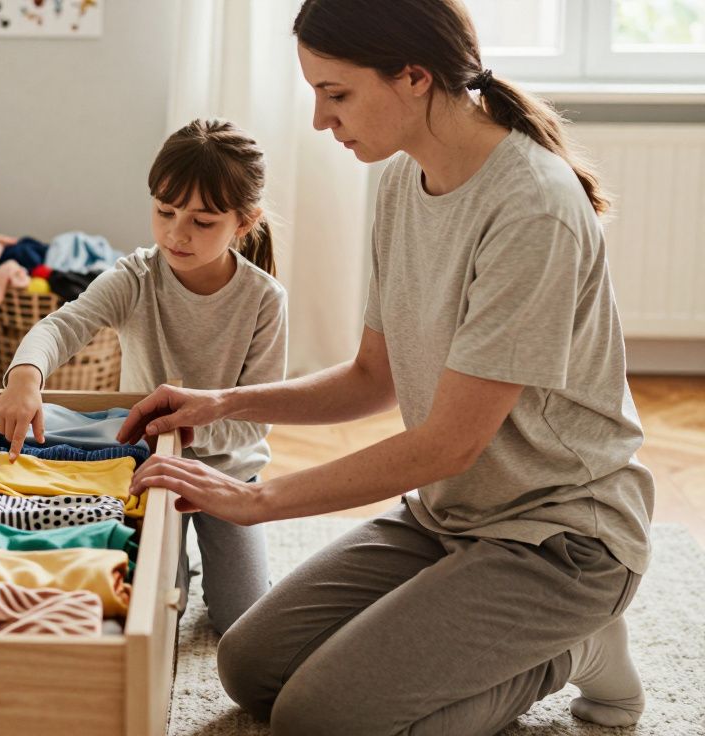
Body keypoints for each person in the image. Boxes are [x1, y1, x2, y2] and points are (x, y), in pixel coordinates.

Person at [117, 1, 654, 733]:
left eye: (335, 93)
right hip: (450, 515)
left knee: (321, 719)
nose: (319, 120)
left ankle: (571, 649)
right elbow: (373, 377)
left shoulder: (533, 207)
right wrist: (217, 402)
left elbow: (448, 443)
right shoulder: (403, 183)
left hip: (560, 539)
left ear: (413, 77)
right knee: (249, 667)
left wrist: (258, 500)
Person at [0, 119, 287, 635]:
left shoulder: (264, 300)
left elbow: (253, 422)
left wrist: (181, 430)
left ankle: (207, 560)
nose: (176, 233)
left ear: (244, 222)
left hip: (227, 477)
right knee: (154, 612)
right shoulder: (135, 277)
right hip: (150, 470)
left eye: (202, 221)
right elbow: (62, 325)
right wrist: (25, 377)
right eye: (165, 212)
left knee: (241, 621)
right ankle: (183, 561)